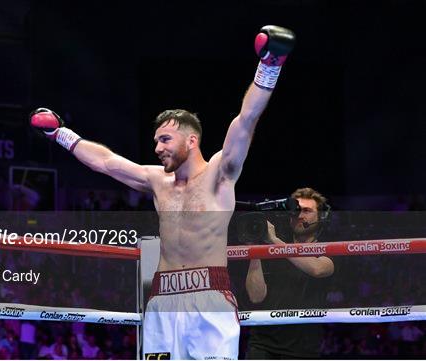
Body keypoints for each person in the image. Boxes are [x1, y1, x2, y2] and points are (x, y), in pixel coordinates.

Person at [31, 25, 295, 359]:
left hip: (209, 296)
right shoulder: (157, 180)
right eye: (156, 140)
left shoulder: (219, 173)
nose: (157, 147)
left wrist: (269, 65)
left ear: (191, 140)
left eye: (165, 139)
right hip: (162, 298)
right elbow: (107, 163)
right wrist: (61, 134)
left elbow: (246, 120)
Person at [245, 187, 335, 359]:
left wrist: (274, 240)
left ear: (321, 217)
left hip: (303, 349)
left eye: (307, 211)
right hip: (262, 345)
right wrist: (255, 250)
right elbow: (256, 297)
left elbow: (317, 269)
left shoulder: (328, 249)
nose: (300, 215)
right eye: (297, 210)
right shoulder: (270, 250)